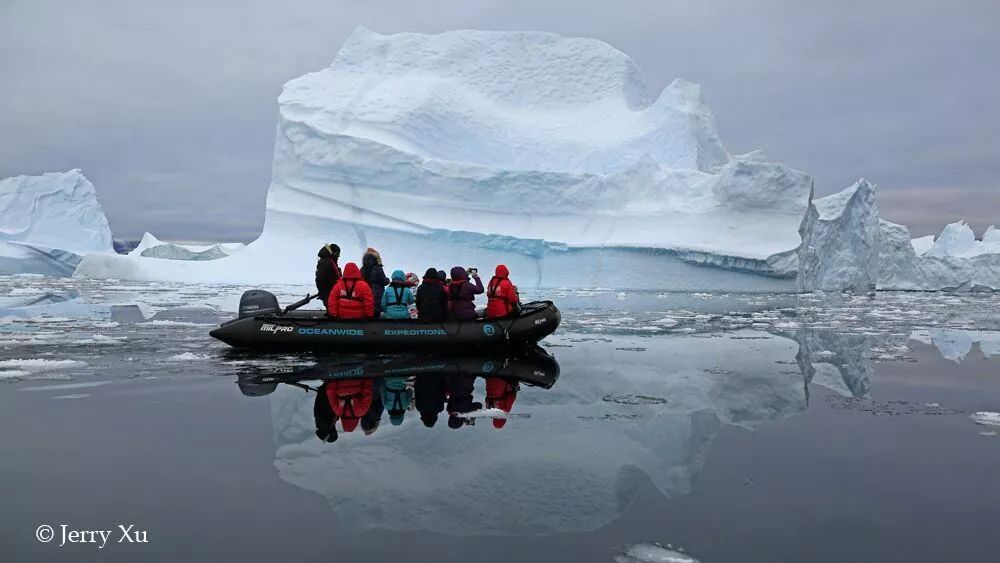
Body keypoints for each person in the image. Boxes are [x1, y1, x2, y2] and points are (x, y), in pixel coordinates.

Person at [361, 248, 390, 314]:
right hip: (377, 293)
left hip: (365, 292)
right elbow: (383, 281)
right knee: (377, 312)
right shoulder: (378, 268)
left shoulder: (362, 269)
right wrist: (388, 280)